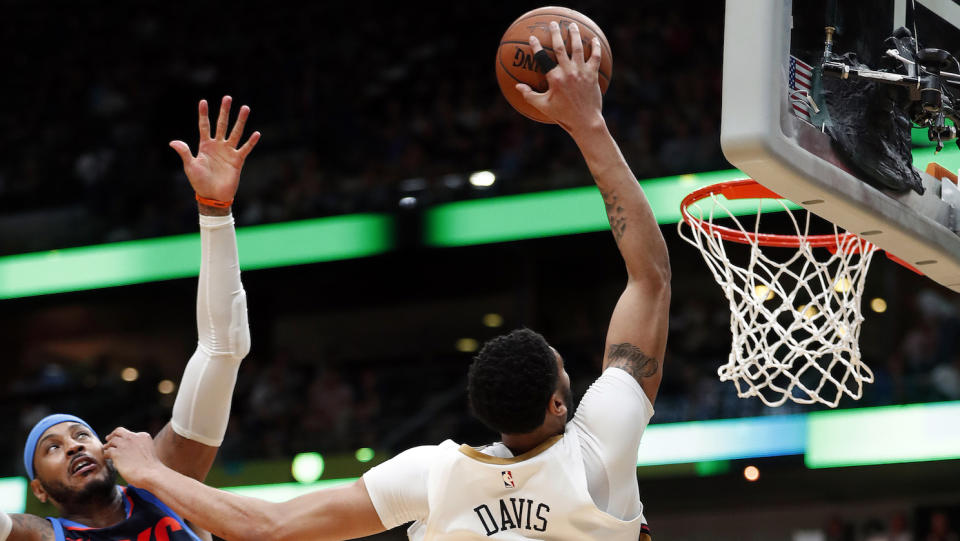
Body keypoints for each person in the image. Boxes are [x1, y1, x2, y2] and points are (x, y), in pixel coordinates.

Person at [102, 20, 670, 541]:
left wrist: (151, 471)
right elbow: (649, 279)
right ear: (557, 405)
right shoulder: (599, 449)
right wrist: (587, 123)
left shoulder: (432, 474)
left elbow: (269, 526)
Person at [0, 96, 260, 541]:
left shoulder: (165, 485)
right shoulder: (44, 535)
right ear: (40, 490)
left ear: (105, 449)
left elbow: (223, 348)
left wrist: (215, 210)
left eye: (80, 435)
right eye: (53, 448)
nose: (74, 446)